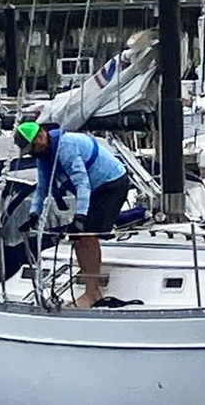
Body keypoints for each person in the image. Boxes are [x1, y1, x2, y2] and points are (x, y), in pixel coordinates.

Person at [15, 121, 129, 308]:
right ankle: (91, 291)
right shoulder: (43, 155)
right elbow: (42, 187)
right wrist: (34, 214)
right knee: (78, 238)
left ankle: (92, 293)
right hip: (95, 188)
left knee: (86, 235)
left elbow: (82, 183)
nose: (32, 152)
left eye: (32, 147)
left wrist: (81, 217)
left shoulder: (65, 147)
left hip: (111, 184)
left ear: (41, 136)